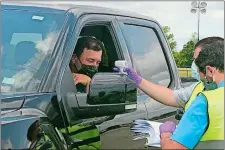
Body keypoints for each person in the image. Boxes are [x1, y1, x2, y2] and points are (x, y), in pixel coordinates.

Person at [116, 36, 223, 110]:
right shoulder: (200, 87)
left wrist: (166, 134)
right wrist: (138, 80)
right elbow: (171, 96)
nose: (195, 66)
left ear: (210, 68)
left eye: (197, 61)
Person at [159, 39, 224, 149]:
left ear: (210, 70)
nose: (201, 78)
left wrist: (166, 134)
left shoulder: (207, 101)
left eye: (199, 71)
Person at [61, 36, 108, 150]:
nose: (94, 66)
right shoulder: (57, 75)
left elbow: (98, 107)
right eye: (90, 61)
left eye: (97, 62)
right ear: (74, 58)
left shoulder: (99, 80)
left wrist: (89, 83)